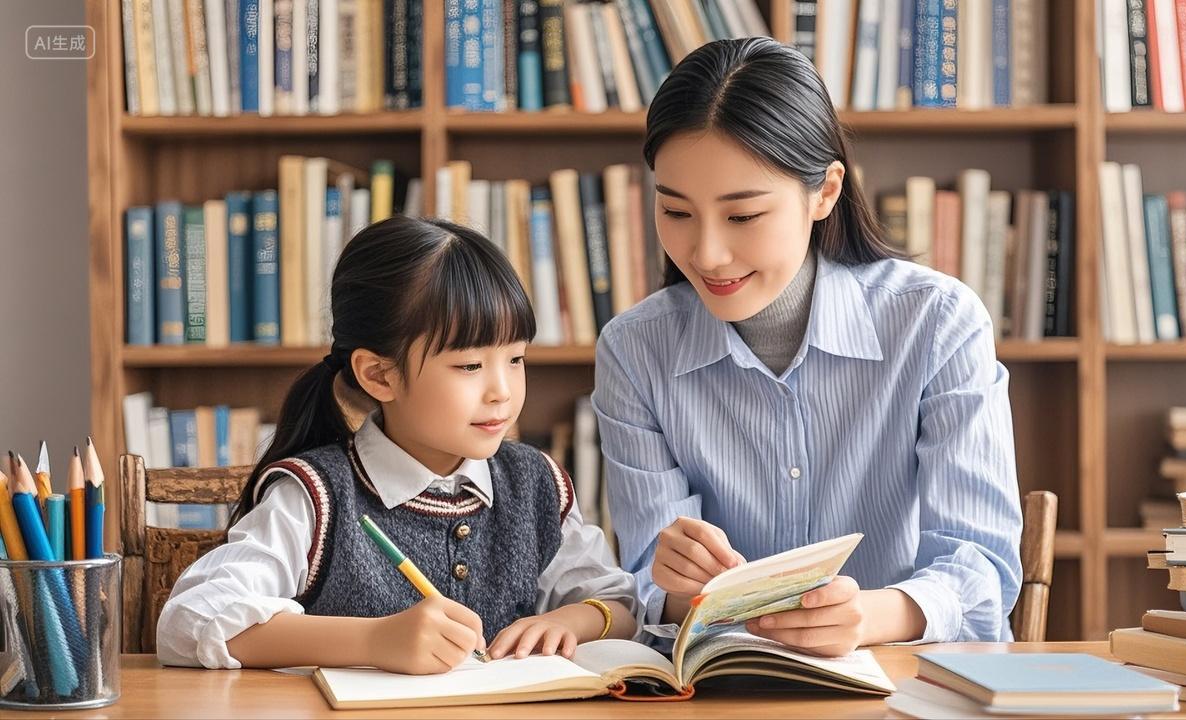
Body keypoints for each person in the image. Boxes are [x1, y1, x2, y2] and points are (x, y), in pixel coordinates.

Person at [595, 37, 1022, 656]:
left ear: (824, 192)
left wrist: (873, 615)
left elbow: (981, 570)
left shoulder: (937, 323)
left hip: (905, 684)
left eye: (742, 216)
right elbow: (645, 586)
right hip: (726, 689)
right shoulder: (635, 351)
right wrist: (674, 584)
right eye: (676, 212)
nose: (706, 254)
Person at [158, 216, 637, 674]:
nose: (503, 391)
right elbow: (190, 620)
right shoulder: (317, 497)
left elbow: (620, 604)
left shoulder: (536, 484)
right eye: (470, 366)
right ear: (379, 374)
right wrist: (373, 641)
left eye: (516, 359)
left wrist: (568, 621)